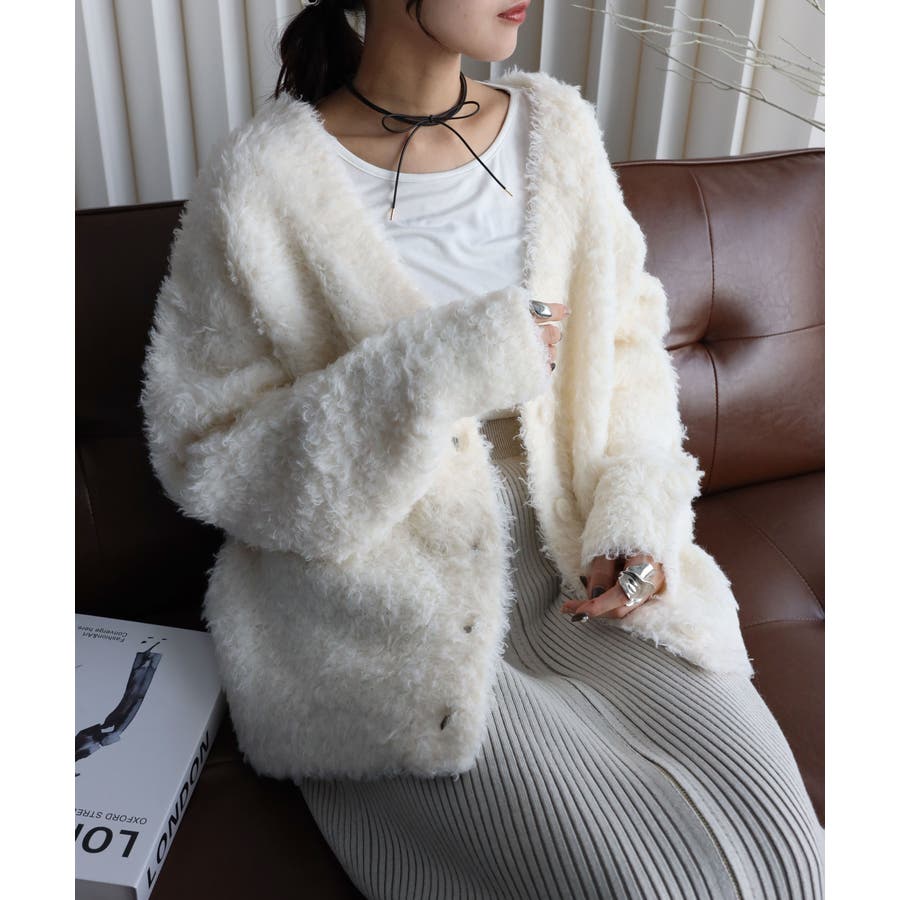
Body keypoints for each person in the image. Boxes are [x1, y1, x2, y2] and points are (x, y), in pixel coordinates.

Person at [140, 1, 825, 897]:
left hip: (576, 553)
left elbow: (628, 351)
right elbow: (209, 452)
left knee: (791, 857)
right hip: (384, 593)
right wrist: (440, 367)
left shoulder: (557, 131)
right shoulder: (261, 182)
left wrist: (634, 523)